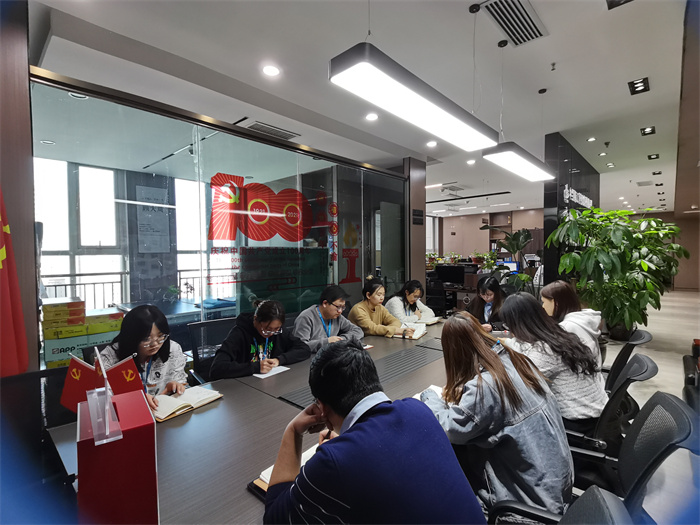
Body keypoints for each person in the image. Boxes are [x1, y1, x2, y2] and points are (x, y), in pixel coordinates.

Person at [264, 340, 486, 524]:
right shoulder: (419, 409)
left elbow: (274, 518)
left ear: (322, 408)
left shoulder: (334, 461)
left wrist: (293, 431)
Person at [420, 312, 573, 515]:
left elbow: (450, 429)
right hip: (554, 489)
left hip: (527, 506)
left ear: (453, 352)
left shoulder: (486, 386)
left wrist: (429, 397)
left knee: (436, 476)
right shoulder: (517, 360)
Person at [499, 293, 608, 433]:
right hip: (597, 414)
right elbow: (526, 349)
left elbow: (517, 384)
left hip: (580, 424)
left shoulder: (543, 351)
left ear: (517, 325)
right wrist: (507, 342)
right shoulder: (558, 334)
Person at [100, 304, 187, 410]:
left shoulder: (173, 349)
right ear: (131, 337)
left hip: (163, 412)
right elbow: (102, 400)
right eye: (146, 339)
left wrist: (175, 386)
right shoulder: (108, 358)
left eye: (160, 336)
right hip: (129, 413)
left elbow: (181, 381)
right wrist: (137, 399)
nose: (155, 344)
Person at [209, 299, 310, 379]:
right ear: (255, 319)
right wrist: (255, 367)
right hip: (244, 385)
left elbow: (304, 349)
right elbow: (217, 369)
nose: (271, 334)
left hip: (272, 382)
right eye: (267, 329)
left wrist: (279, 360)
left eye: (276, 329)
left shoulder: (279, 332)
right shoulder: (239, 334)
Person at [541, 280, 604, 366]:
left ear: (555, 303)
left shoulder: (567, 327)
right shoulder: (582, 320)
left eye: (544, 302)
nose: (543, 306)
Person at [292, 284, 364, 353]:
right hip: (311, 358)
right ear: (325, 303)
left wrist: (342, 339)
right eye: (338, 307)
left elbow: (358, 331)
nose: (340, 311)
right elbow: (301, 346)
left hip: (330, 355)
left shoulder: (338, 317)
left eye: (343, 307)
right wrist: (327, 342)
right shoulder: (306, 318)